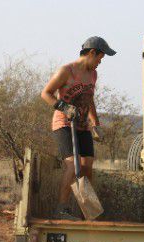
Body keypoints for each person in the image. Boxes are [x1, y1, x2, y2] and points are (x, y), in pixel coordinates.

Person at [41, 36, 116, 220]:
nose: (100, 62)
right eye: (100, 58)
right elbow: (46, 93)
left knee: (87, 166)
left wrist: (96, 124)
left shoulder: (93, 74)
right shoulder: (66, 71)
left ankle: (87, 210)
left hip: (82, 125)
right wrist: (64, 107)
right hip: (64, 124)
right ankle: (61, 209)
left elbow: (89, 99)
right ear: (92, 53)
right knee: (72, 165)